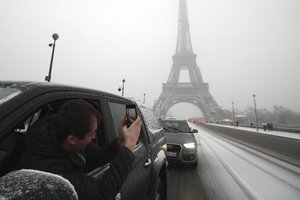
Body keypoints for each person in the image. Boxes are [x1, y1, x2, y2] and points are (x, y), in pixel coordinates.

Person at [16, 99, 142, 200]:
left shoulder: (60, 132)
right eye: (91, 134)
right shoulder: (53, 175)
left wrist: (119, 141)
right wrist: (129, 147)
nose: (94, 137)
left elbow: (96, 157)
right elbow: (101, 194)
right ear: (72, 139)